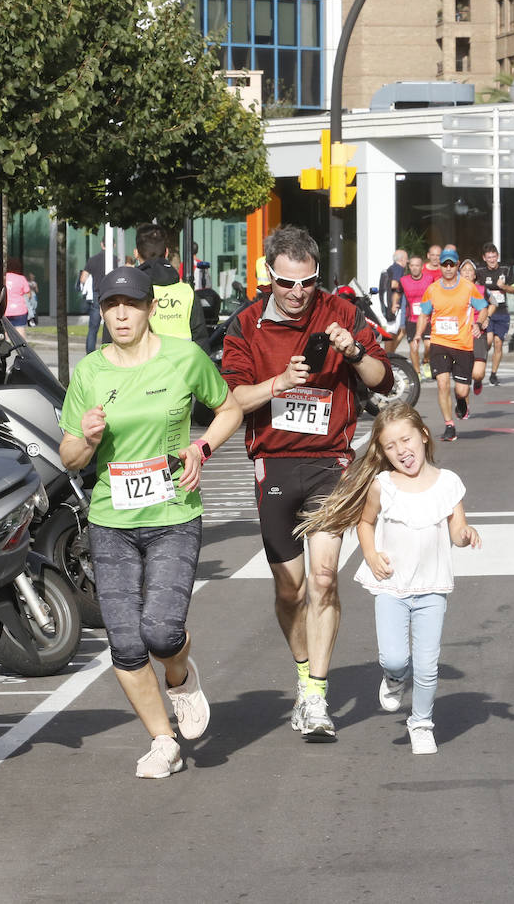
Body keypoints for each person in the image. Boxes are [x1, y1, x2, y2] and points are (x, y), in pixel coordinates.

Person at [59, 265, 244, 779]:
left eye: (131, 304)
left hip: (172, 513)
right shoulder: (91, 371)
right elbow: (69, 455)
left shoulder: (184, 359)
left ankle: (181, 678)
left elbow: (229, 409)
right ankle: (163, 740)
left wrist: (202, 447)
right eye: (111, 305)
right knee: (124, 641)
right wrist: (88, 441)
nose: (121, 314)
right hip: (110, 519)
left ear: (148, 309)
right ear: (101, 312)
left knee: (161, 633)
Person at [220, 224, 394, 740]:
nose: (297, 295)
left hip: (331, 460)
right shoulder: (246, 325)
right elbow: (230, 401)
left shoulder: (341, 313)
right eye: (286, 284)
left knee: (323, 577)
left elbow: (382, 379)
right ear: (268, 277)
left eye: (308, 283)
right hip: (273, 463)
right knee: (290, 588)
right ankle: (302, 676)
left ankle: (317, 696)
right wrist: (279, 384)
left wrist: (356, 352)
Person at [295, 402, 481, 755]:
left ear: (424, 436)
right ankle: (395, 679)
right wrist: (370, 554)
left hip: (432, 588)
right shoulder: (383, 485)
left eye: (406, 440)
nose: (401, 451)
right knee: (395, 659)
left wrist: (466, 533)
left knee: (427, 665)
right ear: (382, 451)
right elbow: (365, 523)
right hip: (392, 586)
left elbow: (456, 528)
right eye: (390, 446)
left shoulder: (449, 484)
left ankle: (421, 723)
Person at [418, 248, 487, 442]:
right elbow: (424, 314)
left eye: (451, 264)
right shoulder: (432, 289)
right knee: (442, 383)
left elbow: (482, 309)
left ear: (457, 266)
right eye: (444, 264)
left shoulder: (468, 287)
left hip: (463, 345)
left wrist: (479, 324)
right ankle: (449, 425)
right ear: (439, 266)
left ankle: (461, 402)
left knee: (462, 390)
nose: (448, 268)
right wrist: (417, 335)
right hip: (440, 342)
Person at [135, 223, 209, 351]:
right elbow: (201, 341)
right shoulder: (186, 292)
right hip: (184, 367)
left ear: (136, 253)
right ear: (167, 252)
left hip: (143, 368)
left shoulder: (131, 291)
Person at [476, 244, 514, 385]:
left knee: (498, 343)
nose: (492, 260)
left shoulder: (505, 269)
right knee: (488, 341)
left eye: (494, 257)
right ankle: (479, 371)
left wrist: (503, 287)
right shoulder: (480, 271)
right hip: (486, 311)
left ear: (497, 256)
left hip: (502, 312)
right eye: (489, 258)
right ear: (484, 258)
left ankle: (493, 374)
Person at [458, 258, 489, 395]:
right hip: (459, 334)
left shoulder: (481, 290)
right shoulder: (453, 290)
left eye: (470, 270)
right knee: (462, 379)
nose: (467, 273)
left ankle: (478, 380)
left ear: (475, 275)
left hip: (477, 332)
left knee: (477, 373)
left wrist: (486, 318)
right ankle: (463, 403)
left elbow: (492, 304)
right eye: (464, 270)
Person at [399, 254, 431, 378]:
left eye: (417, 265)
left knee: (428, 346)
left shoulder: (429, 279)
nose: (415, 268)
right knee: (413, 347)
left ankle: (426, 362)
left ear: (422, 267)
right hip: (411, 319)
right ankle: (417, 373)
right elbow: (400, 299)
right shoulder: (404, 280)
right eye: (412, 265)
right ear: (409, 266)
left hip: (427, 318)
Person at [79, 242, 109, 353]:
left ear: (101, 244)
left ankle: (90, 353)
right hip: (110, 295)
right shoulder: (116, 259)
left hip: (97, 295)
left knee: (93, 328)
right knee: (110, 326)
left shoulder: (93, 259)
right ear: (114, 245)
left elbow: (83, 278)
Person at [3, 259, 30, 339]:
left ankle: (6, 349)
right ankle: (21, 350)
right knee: (20, 331)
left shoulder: (2, 279)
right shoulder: (21, 278)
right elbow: (28, 294)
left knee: (6, 332)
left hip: (5, 310)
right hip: (19, 309)